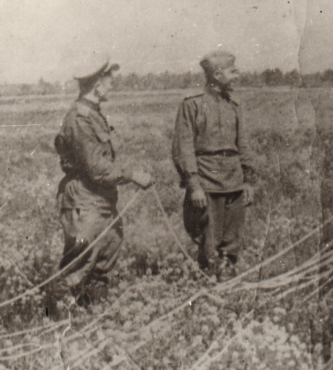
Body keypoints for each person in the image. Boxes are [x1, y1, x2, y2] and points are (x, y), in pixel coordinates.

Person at [50, 55, 154, 312]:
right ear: (97, 85)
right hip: (84, 199)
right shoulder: (80, 118)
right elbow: (97, 169)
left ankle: (95, 316)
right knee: (78, 264)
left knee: (104, 258)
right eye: (109, 81)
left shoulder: (93, 115)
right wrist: (131, 174)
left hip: (101, 199)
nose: (112, 86)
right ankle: (55, 321)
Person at [172, 50, 256, 280]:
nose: (237, 75)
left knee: (233, 243)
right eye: (233, 71)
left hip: (234, 183)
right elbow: (183, 147)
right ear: (218, 75)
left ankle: (228, 284)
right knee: (208, 242)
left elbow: (243, 144)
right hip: (207, 184)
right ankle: (209, 286)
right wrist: (193, 184)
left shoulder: (235, 105)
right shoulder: (192, 104)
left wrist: (248, 181)